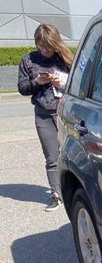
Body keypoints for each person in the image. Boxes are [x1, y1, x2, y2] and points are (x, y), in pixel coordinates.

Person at [18, 23, 73, 212]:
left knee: (72, 154)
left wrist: (62, 83)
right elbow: (22, 88)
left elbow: (79, 86)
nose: (44, 50)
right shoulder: (28, 60)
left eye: (48, 46)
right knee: (51, 156)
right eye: (41, 46)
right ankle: (56, 194)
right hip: (43, 114)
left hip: (66, 113)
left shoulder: (65, 58)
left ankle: (73, 190)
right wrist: (37, 82)